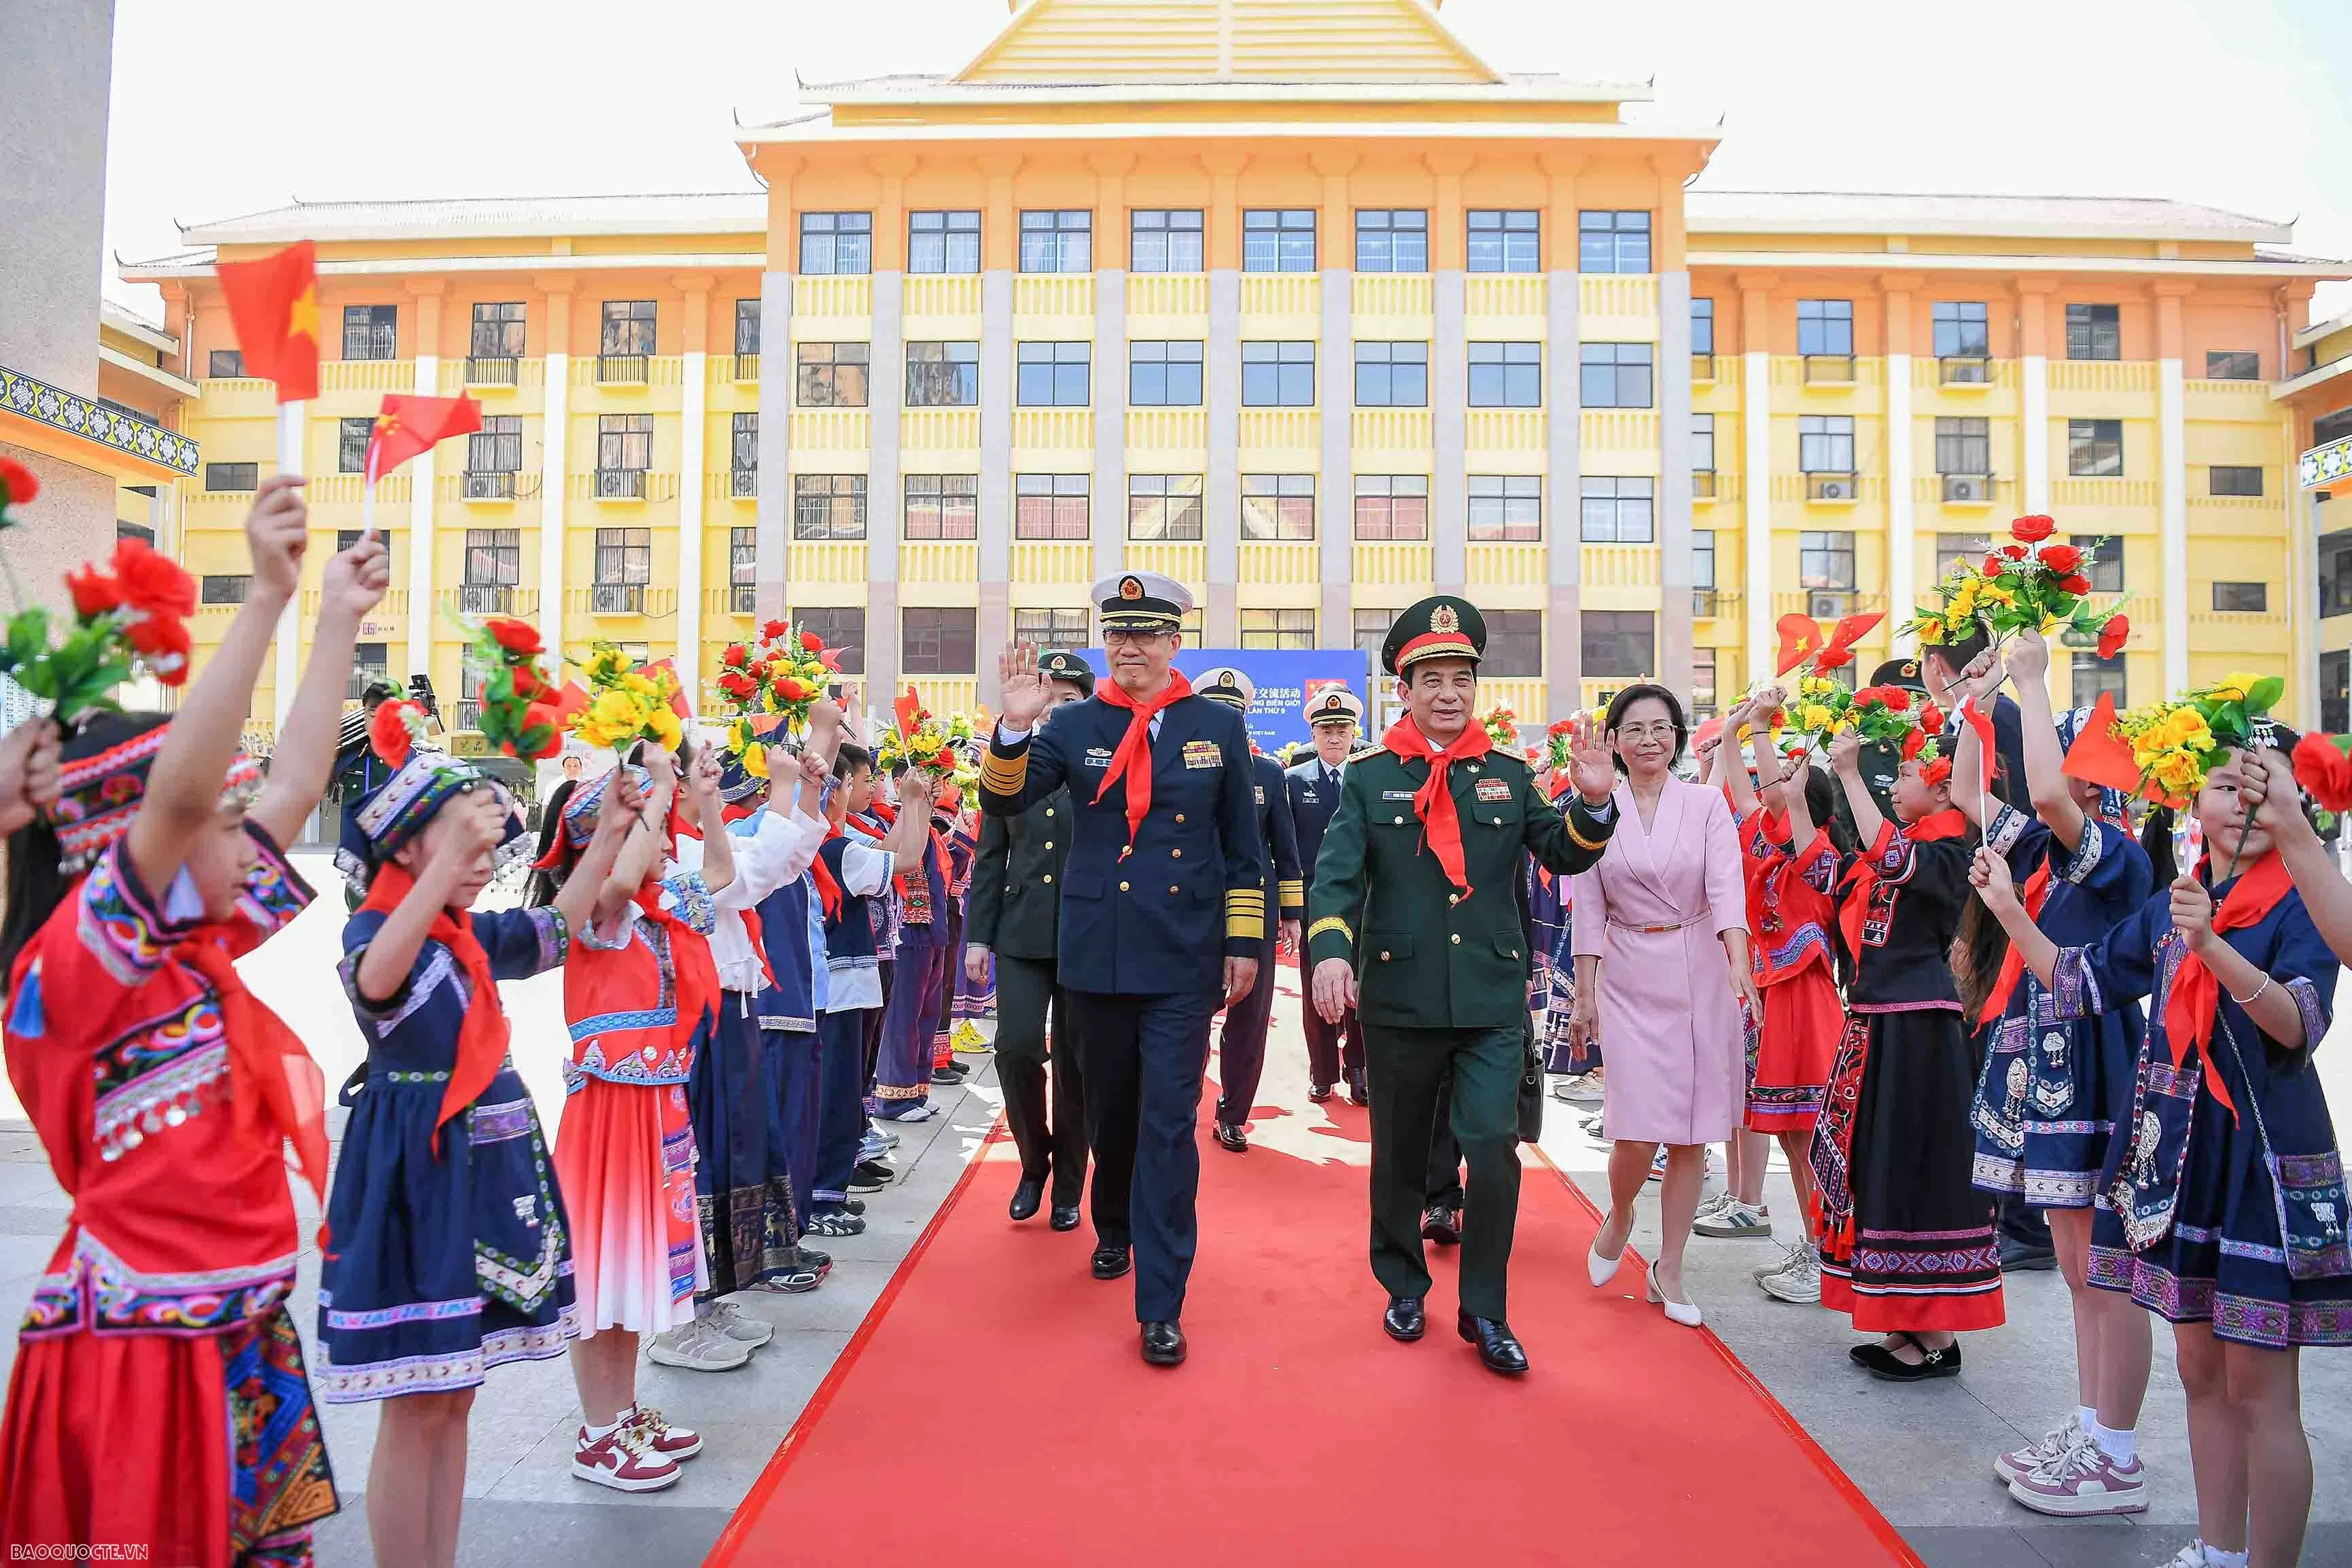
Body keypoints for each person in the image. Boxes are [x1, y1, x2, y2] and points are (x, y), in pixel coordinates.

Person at [0, 480, 371, 1563]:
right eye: (222, 818)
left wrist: (338, 617)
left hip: (238, 1333)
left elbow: (299, 781)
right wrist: (262, 596)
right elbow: (177, 797)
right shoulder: (75, 967)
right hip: (135, 1356)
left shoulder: (187, 955)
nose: (244, 833)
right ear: (115, 852)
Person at [1974, 734, 2347, 1568]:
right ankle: (2217, 1552)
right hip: (2176, 1161)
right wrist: (2006, 909)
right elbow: (2076, 981)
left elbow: (2298, 1025)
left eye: (2262, 786)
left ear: (2295, 804)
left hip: (2262, 1164)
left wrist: (2211, 947)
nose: (2242, 805)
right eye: (2225, 786)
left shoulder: (2304, 902)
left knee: (2261, 1390)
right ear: (2193, 803)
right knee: (2198, 1370)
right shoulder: (2181, 897)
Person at [322, 703, 636, 1566]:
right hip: (415, 1183)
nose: (479, 868)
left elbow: (560, 927)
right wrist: (438, 870)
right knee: (416, 1400)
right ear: (405, 851)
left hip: (484, 1179)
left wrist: (608, 832)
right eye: (461, 848)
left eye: (485, 854)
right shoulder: (374, 935)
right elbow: (380, 978)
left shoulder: (467, 935)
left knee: (455, 1395)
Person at [1307, 596, 1619, 1376]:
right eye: (1432, 679)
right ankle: (1403, 1282)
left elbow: (1565, 853)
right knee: (1401, 1155)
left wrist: (1590, 801)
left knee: (1492, 1145)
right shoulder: (1371, 778)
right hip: (1400, 996)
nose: (1448, 693)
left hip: (1487, 998)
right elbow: (1337, 877)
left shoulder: (1507, 778)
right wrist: (1329, 952)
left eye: (1461, 679)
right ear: (1404, 690)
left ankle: (1485, 1308)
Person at [981, 571, 1263, 1368]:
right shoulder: (1073, 725)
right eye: (1116, 633)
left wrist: (1242, 943)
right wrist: (1012, 727)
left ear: (1175, 642)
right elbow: (1003, 801)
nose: (1128, 645)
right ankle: (1113, 1222)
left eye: (1144, 633)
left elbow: (1243, 847)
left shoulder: (1214, 725)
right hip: (1096, 956)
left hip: (1180, 956)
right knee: (1108, 1111)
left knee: (1170, 1123)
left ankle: (1161, 1302)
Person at [1948, 631, 2157, 1513]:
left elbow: (2036, 785)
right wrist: (1979, 697)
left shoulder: (2111, 861)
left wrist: (2030, 679)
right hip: (2048, 1067)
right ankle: (2090, 1423)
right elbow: (1968, 789)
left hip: (2097, 1071)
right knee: (2078, 1271)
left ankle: (2116, 1449)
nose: (2045, 779)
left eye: (2063, 759)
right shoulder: (2040, 856)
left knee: (2108, 1270)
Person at [538, 743, 732, 1491]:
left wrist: (704, 801)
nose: (656, 843)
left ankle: (619, 1414)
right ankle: (596, 1431)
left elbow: (719, 874)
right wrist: (657, 784)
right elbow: (621, 875)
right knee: (602, 1267)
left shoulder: (657, 906)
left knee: (630, 1267)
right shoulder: (598, 910)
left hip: (652, 1102)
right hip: (609, 1111)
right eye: (639, 829)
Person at [1815, 719, 2005, 1378]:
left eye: (1901, 776)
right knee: (1887, 1170)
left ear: (1943, 789)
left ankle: (1937, 1333)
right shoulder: (1921, 839)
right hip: (1884, 1020)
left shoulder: (1949, 845)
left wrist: (1844, 774)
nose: (1892, 786)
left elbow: (1887, 853)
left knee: (1915, 1171)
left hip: (1916, 1027)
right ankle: (1908, 1322)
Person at [652, 721, 841, 1375]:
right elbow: (742, 879)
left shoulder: (696, 839)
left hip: (731, 1011)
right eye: (699, 768)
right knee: (699, 1163)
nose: (712, 776)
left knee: (736, 1154)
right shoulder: (660, 850)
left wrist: (801, 796)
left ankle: (711, 1301)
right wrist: (785, 789)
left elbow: (779, 864)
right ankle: (678, 1319)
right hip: (693, 1021)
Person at [1568, 683, 1759, 1330]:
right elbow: (1588, 907)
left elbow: (1726, 886)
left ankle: (1669, 1267)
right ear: (1615, 741)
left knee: (1691, 1129)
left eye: (1662, 727)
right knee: (1636, 1121)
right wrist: (1584, 992)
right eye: (1635, 729)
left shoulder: (1705, 803)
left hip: (1700, 969)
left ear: (1677, 735)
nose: (1650, 740)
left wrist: (1738, 961)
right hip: (1626, 973)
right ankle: (1619, 1212)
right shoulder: (1598, 806)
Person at [1708, 692, 1848, 1302]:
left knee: (1810, 1136)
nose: (1772, 784)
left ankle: (1829, 1255)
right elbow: (1742, 793)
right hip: (1772, 1003)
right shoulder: (1764, 841)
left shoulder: (1813, 851)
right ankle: (1818, 1251)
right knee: (1793, 1137)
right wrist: (1739, 730)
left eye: (1787, 780)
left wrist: (1763, 732)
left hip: (1805, 1006)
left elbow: (1767, 789)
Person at [966, 648, 1094, 1228]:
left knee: (1077, 1064)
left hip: (1086, 935)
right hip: (1021, 933)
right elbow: (990, 858)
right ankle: (1032, 1160)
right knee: (1015, 1049)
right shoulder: (1011, 765)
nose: (1059, 708)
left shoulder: (1100, 763)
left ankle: (1069, 1182)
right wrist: (977, 938)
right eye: (1052, 698)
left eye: (1071, 700)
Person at [810, 745, 935, 1232]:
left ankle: (829, 1188)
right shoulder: (832, 848)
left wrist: (912, 803)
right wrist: (912, 801)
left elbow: (896, 856)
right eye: (855, 781)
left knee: (843, 1088)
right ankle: (823, 1195)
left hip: (840, 983)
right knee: (836, 1092)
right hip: (839, 987)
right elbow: (905, 858)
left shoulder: (828, 845)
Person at [1196, 667, 1303, 1154]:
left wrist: (1291, 913)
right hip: (1191, 910)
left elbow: (1284, 846)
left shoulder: (1267, 773)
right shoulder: (1180, 766)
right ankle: (1181, 1103)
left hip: (1251, 910)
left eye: (1234, 715)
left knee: (1249, 1019)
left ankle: (1233, 1113)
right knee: (1190, 1014)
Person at [1286, 686, 1369, 1106]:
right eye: (1325, 730)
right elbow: (1287, 850)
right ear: (1313, 735)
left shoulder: (1369, 777)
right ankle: (1323, 1072)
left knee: (1361, 989)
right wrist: (1292, 912)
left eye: (1342, 730)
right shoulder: (1294, 782)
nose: (1334, 738)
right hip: (1314, 904)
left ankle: (1359, 1068)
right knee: (1314, 985)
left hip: (1363, 903)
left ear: (1355, 731)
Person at [873, 761, 953, 1122]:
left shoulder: (919, 819)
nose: (934, 787)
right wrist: (914, 805)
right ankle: (894, 1096)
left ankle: (917, 1089)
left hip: (930, 923)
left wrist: (923, 805)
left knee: (926, 1011)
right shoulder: (881, 821)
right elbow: (900, 857)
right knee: (903, 1013)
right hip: (905, 925)